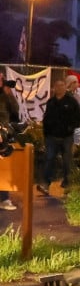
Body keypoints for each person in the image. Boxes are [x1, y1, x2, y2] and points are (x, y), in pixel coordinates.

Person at [38, 78, 80, 195]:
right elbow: (46, 118)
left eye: (61, 85)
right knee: (49, 159)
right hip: (52, 137)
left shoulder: (71, 101)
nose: (59, 88)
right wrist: (46, 133)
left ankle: (68, 184)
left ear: (65, 87)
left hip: (66, 137)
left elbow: (79, 117)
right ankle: (45, 184)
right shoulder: (51, 102)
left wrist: (71, 128)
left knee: (67, 161)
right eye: (56, 86)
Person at [0, 80, 20, 209]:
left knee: (3, 167)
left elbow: (15, 110)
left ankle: (4, 198)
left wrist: (8, 94)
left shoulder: (5, 97)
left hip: (2, 134)